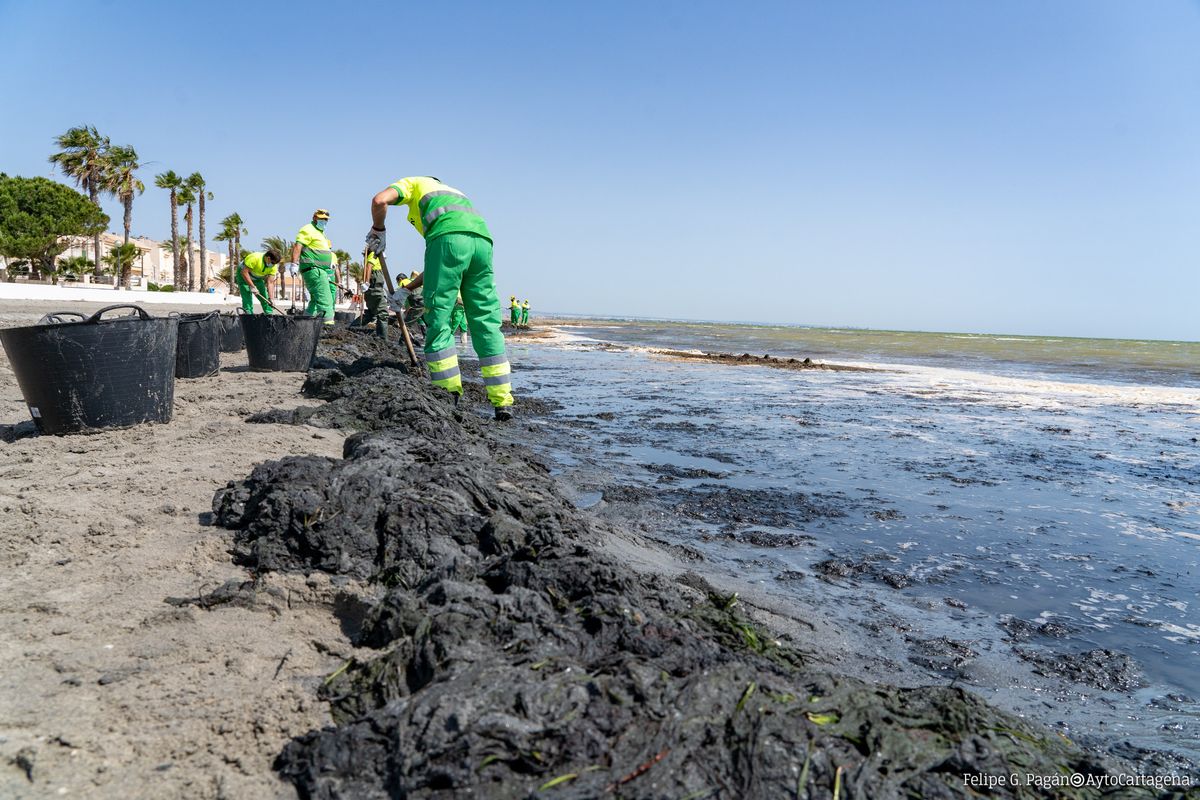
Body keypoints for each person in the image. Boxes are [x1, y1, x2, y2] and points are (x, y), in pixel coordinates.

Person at [366, 176, 513, 420]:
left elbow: (379, 200)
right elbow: (441, 263)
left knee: (439, 318)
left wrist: (378, 230)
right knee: (486, 323)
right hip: (483, 243)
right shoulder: (453, 192)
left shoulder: (414, 184)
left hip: (447, 240)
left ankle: (448, 393)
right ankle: (503, 402)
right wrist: (406, 289)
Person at [288, 209, 336, 325]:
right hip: (314, 270)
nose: (324, 221)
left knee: (315, 300)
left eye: (325, 219)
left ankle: (305, 323)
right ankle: (328, 326)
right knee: (326, 300)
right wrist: (294, 263)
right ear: (315, 218)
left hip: (320, 270)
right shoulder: (308, 229)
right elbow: (298, 246)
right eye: (321, 218)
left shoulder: (320, 232)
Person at [237, 249, 281, 314]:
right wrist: (252, 286)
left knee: (264, 295)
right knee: (246, 296)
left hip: (257, 278)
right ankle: (248, 314)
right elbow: (244, 272)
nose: (273, 265)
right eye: (273, 263)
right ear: (268, 258)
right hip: (243, 275)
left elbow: (270, 283)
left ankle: (269, 314)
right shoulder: (255, 258)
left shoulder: (273, 267)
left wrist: (271, 298)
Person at [359, 251, 388, 340]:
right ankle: (382, 338)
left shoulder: (376, 255)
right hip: (375, 288)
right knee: (382, 313)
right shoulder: (374, 254)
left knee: (372, 313)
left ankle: (354, 327)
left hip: (374, 288)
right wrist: (367, 283)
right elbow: (369, 266)